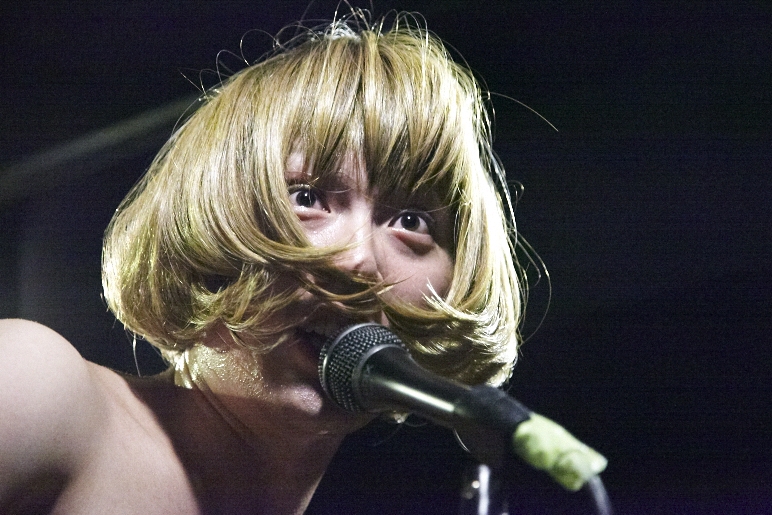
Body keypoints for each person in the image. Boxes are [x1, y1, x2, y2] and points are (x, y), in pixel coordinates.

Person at [0, 13, 526, 515]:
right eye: (307, 197)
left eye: (411, 221)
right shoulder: (37, 389)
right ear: (209, 209)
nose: (360, 261)